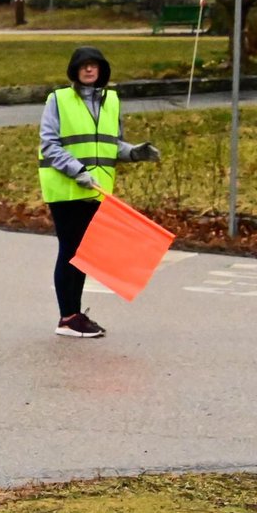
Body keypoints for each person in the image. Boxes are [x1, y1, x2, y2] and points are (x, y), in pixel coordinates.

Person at [38, 46, 161, 339]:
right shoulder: (58, 99)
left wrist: (134, 153)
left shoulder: (112, 101)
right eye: (84, 66)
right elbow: (49, 144)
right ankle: (68, 317)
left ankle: (74, 315)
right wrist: (77, 171)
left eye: (94, 65)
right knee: (71, 251)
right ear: (75, 70)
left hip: (98, 190)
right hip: (67, 189)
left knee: (84, 253)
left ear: (102, 70)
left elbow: (111, 143)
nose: (89, 70)